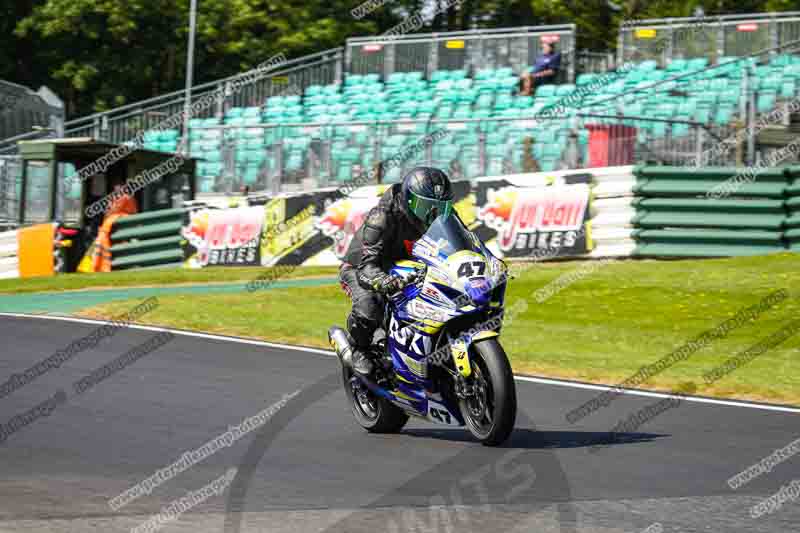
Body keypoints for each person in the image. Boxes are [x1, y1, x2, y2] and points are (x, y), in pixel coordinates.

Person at [339, 167, 454, 376]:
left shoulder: (442, 215)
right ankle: (359, 349)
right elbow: (367, 267)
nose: (432, 213)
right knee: (369, 306)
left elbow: (463, 242)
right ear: (408, 200)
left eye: (440, 207)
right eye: (425, 206)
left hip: (404, 265)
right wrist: (384, 282)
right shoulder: (382, 217)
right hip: (361, 267)